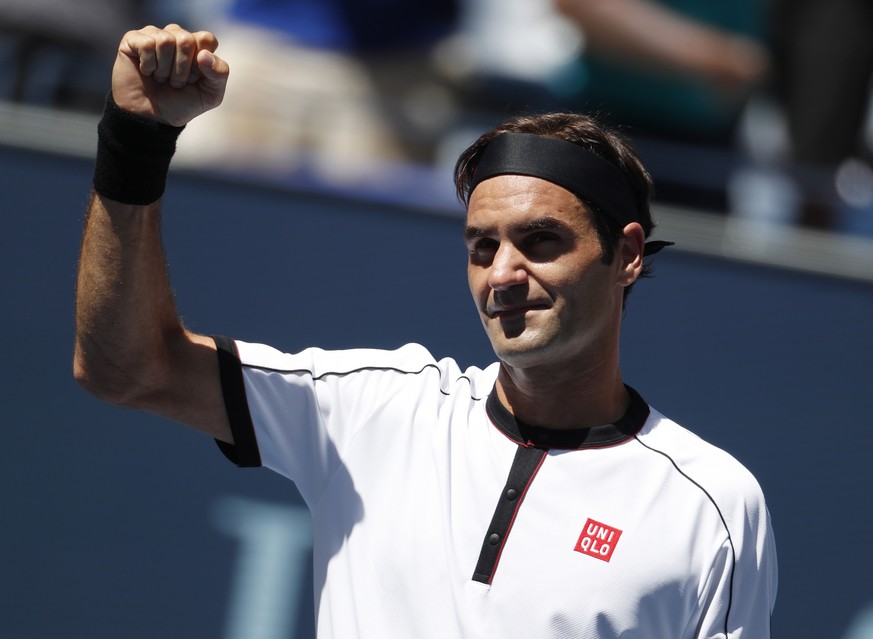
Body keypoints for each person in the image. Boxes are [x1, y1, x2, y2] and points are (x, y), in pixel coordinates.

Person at [73, 24, 777, 638]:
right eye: (480, 246)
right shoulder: (376, 410)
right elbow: (127, 367)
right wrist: (137, 137)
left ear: (624, 256)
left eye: (538, 241)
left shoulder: (709, 501)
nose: (500, 274)